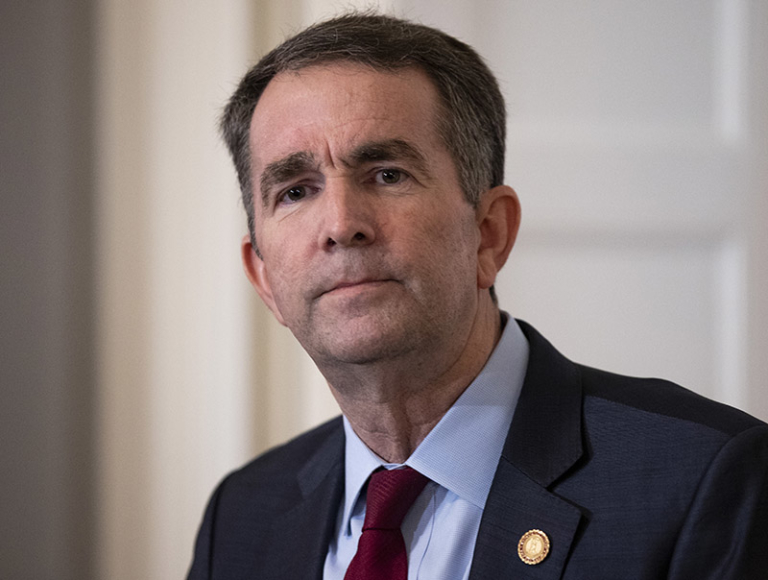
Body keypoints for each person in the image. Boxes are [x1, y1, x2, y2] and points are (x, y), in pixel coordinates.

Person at [188, 12, 768, 580]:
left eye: (387, 174)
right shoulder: (242, 516)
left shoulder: (708, 481)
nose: (341, 223)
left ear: (490, 233)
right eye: (295, 191)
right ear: (264, 278)